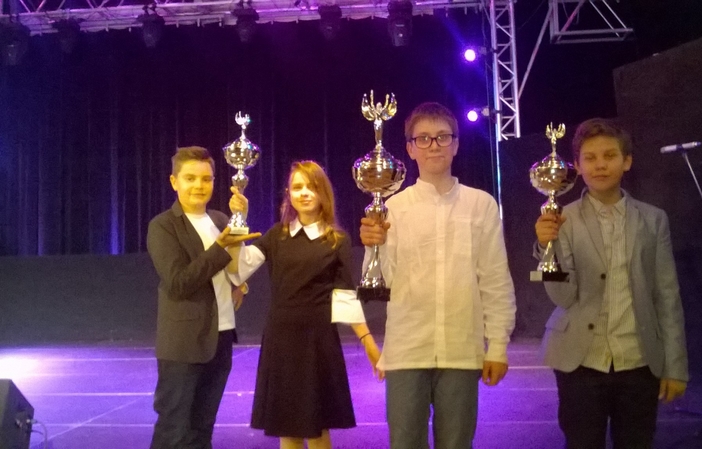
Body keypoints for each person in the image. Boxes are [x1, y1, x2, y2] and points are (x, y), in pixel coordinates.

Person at [359, 102, 516, 449]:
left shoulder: (481, 205)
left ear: (456, 144)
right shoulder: (392, 208)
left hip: (462, 350)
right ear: (410, 148)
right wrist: (373, 246)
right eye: (424, 138)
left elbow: (495, 280)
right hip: (406, 351)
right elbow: (382, 283)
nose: (434, 145)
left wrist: (498, 345)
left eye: (443, 137)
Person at [534, 118, 689, 449]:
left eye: (609, 155)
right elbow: (562, 296)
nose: (600, 165)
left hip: (638, 360)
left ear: (627, 161)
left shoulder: (653, 219)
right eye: (590, 158)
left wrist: (675, 365)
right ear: (577, 166)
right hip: (580, 360)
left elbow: (667, 295)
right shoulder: (563, 219)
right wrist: (546, 248)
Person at [228, 160, 381, 449]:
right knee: (288, 427)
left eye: (312, 187)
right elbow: (238, 270)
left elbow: (345, 298)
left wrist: (369, 344)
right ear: (289, 194)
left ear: (323, 193)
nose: (305, 193)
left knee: (318, 428)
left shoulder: (336, 240)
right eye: (298, 187)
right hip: (281, 341)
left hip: (318, 343)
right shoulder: (277, 235)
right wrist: (239, 220)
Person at [147, 146, 260, 449]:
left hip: (219, 338)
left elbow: (232, 268)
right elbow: (178, 283)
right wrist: (220, 248)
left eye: (206, 179)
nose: (199, 185)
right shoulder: (163, 226)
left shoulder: (221, 219)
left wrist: (240, 284)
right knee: (173, 431)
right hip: (183, 344)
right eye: (190, 178)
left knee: (202, 430)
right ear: (174, 182)